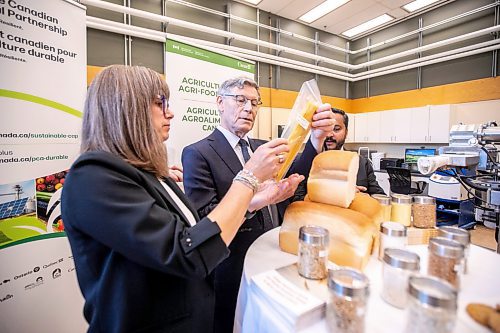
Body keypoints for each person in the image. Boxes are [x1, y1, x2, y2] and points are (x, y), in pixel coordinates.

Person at [61, 65, 298, 333]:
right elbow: (188, 252)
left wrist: (254, 200)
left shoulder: (147, 173)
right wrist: (248, 178)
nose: (170, 112)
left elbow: (197, 229)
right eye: (159, 103)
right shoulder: (93, 177)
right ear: (125, 109)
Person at [182, 77, 335, 332]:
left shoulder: (261, 147)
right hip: (229, 264)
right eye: (240, 100)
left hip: (270, 255)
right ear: (219, 103)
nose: (248, 108)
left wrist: (316, 138)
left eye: (254, 103)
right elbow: (205, 216)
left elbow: (293, 172)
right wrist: (253, 201)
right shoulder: (198, 153)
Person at [295, 108, 385, 201]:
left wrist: (364, 198)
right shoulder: (303, 163)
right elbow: (296, 200)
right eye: (324, 129)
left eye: (336, 129)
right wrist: (339, 194)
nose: (329, 135)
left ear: (346, 132)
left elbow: (379, 195)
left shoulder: (362, 162)